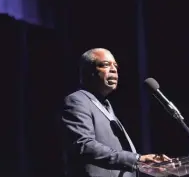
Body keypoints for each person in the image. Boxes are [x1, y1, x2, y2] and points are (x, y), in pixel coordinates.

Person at [61, 48, 171, 177]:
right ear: (88, 71)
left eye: (115, 66)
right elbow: (83, 145)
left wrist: (145, 165)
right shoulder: (77, 100)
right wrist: (137, 159)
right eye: (105, 65)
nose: (114, 69)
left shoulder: (106, 105)